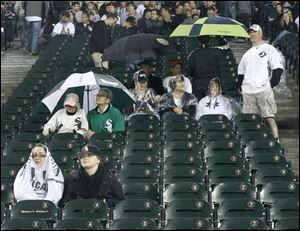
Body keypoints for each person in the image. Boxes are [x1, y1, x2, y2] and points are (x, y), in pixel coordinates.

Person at [238, 24, 283, 142]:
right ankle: (254, 143)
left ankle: (276, 141)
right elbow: (240, 72)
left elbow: (277, 68)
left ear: (260, 33)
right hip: (248, 91)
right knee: (251, 120)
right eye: (250, 32)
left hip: (263, 89)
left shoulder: (269, 48)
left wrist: (270, 85)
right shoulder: (246, 54)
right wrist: (240, 86)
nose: (252, 34)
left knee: (269, 117)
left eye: (254, 32)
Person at [58, 144, 125, 208]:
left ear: (98, 160)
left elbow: (121, 202)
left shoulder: (110, 178)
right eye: (82, 156)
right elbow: (63, 202)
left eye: (89, 155)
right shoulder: (71, 178)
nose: (85, 158)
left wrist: (105, 202)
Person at [187, 35, 222, 101]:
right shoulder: (216, 52)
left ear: (198, 41)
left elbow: (189, 71)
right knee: (212, 105)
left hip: (197, 83)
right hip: (212, 82)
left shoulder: (193, 53)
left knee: (199, 105)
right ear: (210, 41)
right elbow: (220, 69)